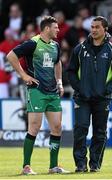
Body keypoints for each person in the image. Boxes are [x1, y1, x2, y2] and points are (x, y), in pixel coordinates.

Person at [7, 16, 69, 175]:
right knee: (34, 127)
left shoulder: (55, 45)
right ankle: (26, 166)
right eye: (55, 27)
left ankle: (53, 166)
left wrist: (60, 82)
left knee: (57, 127)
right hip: (36, 91)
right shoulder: (33, 43)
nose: (58, 30)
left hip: (53, 92)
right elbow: (11, 56)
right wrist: (24, 76)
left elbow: (57, 63)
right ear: (47, 28)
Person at [68, 16, 112, 173]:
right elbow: (71, 71)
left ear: (105, 29)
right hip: (82, 98)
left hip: (102, 99)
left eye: (97, 27)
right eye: (92, 27)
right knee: (80, 129)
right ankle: (80, 164)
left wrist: (107, 90)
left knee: (100, 132)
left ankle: (95, 164)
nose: (93, 29)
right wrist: (79, 88)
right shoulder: (80, 49)